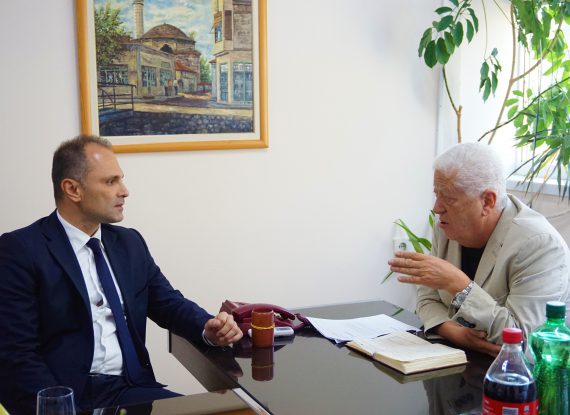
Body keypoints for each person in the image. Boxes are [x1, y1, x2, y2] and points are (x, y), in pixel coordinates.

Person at [0, 135, 243, 414]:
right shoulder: (20, 250)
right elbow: (16, 354)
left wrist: (208, 328)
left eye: (121, 180)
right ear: (72, 189)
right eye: (110, 181)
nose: (124, 191)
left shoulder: (129, 243)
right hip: (69, 397)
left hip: (131, 389)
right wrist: (58, 408)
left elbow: (168, 303)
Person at [389, 142, 570, 356]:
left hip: (519, 372)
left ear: (487, 202)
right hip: (457, 359)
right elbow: (427, 299)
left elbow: (523, 340)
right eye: (437, 194)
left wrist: (460, 286)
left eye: (448, 198)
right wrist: (455, 333)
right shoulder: (447, 229)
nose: (436, 208)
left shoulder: (538, 244)